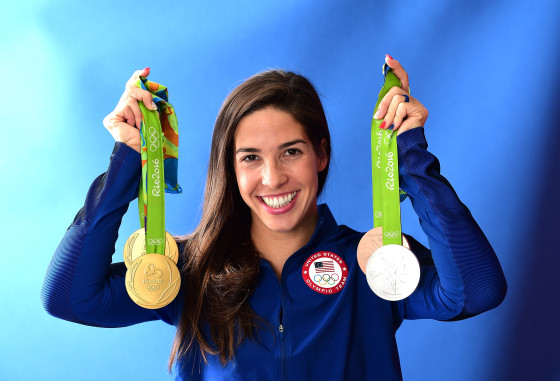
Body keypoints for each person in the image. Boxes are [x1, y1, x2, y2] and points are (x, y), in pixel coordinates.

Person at [41, 55, 507, 380]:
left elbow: (476, 291)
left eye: (291, 152)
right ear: (230, 167)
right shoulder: (188, 270)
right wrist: (129, 159)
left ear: (320, 154)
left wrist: (410, 156)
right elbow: (69, 298)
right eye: (249, 158)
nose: (273, 177)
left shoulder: (375, 265)